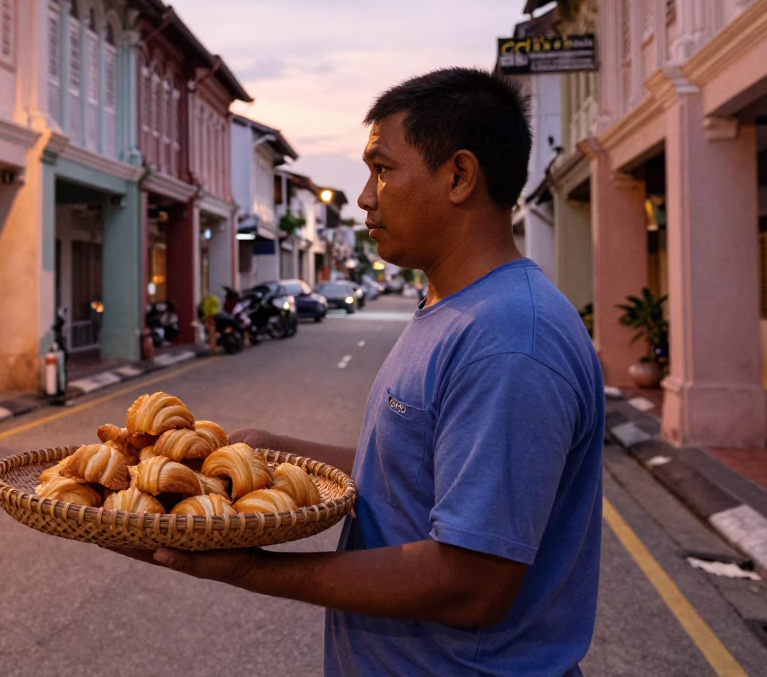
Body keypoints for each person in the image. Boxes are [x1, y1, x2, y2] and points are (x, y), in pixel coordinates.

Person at [120, 67, 605, 676]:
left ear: (459, 176)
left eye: (382, 169)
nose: (365, 198)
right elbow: (416, 474)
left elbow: (472, 584)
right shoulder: (454, 309)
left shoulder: (507, 340)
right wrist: (273, 450)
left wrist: (251, 569)